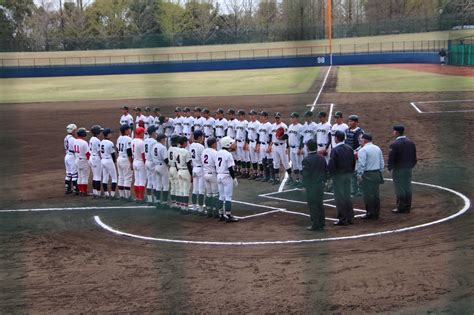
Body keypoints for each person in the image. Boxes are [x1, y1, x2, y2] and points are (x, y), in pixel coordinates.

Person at [328, 131, 356, 226]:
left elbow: (332, 165)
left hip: (338, 176)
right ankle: (350, 218)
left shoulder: (335, 150)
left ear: (336, 138)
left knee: (339, 198)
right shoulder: (349, 148)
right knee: (347, 196)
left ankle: (343, 219)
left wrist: (331, 175)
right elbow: (353, 161)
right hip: (348, 175)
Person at [388, 125, 417, 214]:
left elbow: (392, 158)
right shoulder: (411, 143)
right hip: (408, 169)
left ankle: (401, 207)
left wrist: (390, 167)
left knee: (399, 188)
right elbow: (414, 157)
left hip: (398, 170)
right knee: (407, 187)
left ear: (396, 132)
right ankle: (407, 206)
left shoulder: (394, 144)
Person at [357, 133, 384, 220]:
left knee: (368, 195)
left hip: (367, 174)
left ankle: (370, 213)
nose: (360, 141)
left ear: (365, 140)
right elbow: (381, 162)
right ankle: (376, 213)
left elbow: (362, 164)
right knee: (376, 194)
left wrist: (359, 174)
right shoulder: (377, 148)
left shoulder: (363, 150)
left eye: (361, 139)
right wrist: (380, 172)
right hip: (376, 173)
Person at [302, 139, 328, 231]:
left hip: (312, 186)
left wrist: (305, 185)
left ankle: (316, 223)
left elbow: (306, 175)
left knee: (313, 204)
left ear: (308, 148)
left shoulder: (306, 159)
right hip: (320, 184)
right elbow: (326, 170)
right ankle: (322, 221)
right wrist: (324, 181)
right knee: (320, 203)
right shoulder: (321, 158)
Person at [215, 136, 239, 222]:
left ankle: (221, 214)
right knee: (228, 196)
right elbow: (230, 169)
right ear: (228, 144)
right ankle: (228, 215)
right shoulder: (228, 155)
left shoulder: (218, 153)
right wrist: (234, 178)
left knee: (221, 196)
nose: (233, 144)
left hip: (219, 175)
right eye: (231, 143)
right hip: (226, 176)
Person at [345, 114, 364, 196]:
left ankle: (360, 189)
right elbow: (346, 142)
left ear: (356, 122)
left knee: (358, 172)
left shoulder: (360, 132)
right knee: (351, 172)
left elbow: (362, 144)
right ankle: (353, 189)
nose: (349, 123)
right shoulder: (347, 131)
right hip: (349, 154)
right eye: (349, 121)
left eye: (351, 121)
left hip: (356, 154)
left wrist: (356, 152)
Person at [189, 130, 206, 214]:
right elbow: (203, 160)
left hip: (194, 168)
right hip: (200, 169)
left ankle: (194, 207)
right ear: (199, 137)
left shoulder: (191, 145)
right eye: (202, 136)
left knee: (195, 189)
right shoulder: (201, 147)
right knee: (201, 190)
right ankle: (200, 208)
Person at [202, 137, 219, 218]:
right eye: (215, 143)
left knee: (209, 194)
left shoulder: (204, 151)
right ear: (213, 144)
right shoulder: (215, 152)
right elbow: (216, 165)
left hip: (205, 174)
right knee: (215, 194)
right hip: (212, 174)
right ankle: (216, 211)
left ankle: (208, 210)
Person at [116, 124, 133, 200]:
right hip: (125, 159)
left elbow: (117, 149)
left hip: (119, 158)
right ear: (126, 131)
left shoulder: (119, 138)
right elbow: (129, 152)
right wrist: (131, 162)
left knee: (121, 177)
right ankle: (128, 196)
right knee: (127, 178)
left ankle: (121, 195)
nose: (130, 130)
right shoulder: (128, 139)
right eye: (129, 129)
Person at [176, 136, 193, 213]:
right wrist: (191, 174)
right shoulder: (186, 152)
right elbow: (189, 164)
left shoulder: (176, 150)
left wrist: (178, 170)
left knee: (181, 190)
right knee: (186, 191)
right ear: (184, 143)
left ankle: (181, 207)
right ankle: (185, 209)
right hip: (186, 171)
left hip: (179, 170)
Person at [153, 133, 170, 208]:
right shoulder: (163, 147)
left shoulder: (154, 146)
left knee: (158, 185)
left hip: (156, 166)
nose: (165, 140)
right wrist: (169, 165)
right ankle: (165, 202)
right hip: (162, 166)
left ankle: (157, 201)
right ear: (162, 139)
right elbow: (166, 159)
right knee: (165, 185)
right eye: (164, 139)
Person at [100, 128, 118, 199]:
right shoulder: (110, 143)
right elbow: (113, 154)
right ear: (107, 135)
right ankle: (113, 195)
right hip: (109, 160)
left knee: (105, 178)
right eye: (110, 133)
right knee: (114, 178)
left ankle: (106, 194)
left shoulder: (101, 142)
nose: (111, 134)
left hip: (103, 160)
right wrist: (114, 162)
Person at [256, 111, 273, 182]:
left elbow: (271, 136)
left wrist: (270, 146)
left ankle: (272, 177)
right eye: (260, 116)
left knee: (270, 161)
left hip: (267, 144)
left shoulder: (269, 125)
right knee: (263, 161)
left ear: (266, 117)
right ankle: (266, 177)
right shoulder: (260, 125)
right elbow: (259, 136)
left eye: (262, 116)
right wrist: (258, 145)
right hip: (262, 145)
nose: (260, 117)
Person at [288, 112, 303, 186]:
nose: (291, 118)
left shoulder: (300, 127)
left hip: (297, 148)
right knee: (294, 165)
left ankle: (302, 180)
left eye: (293, 117)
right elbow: (288, 137)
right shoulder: (290, 126)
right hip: (291, 148)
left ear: (296, 118)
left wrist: (300, 148)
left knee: (300, 164)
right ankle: (297, 180)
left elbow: (302, 138)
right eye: (291, 117)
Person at [74, 128, 91, 196]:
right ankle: (84, 191)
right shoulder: (84, 143)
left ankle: (81, 191)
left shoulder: (75, 141)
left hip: (77, 160)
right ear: (83, 134)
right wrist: (89, 161)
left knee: (80, 176)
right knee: (84, 177)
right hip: (83, 160)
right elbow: (87, 154)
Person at [131, 127, 146, 202]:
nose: (144, 134)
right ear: (141, 133)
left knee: (136, 180)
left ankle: (137, 197)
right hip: (140, 162)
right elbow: (143, 155)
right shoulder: (141, 142)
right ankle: (141, 198)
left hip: (135, 162)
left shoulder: (132, 141)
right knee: (142, 181)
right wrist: (145, 163)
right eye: (143, 132)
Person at [144, 126, 158, 204]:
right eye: (155, 131)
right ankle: (155, 200)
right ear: (152, 133)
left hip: (147, 162)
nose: (156, 133)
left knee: (149, 181)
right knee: (155, 181)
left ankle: (149, 199)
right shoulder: (154, 142)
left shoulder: (145, 140)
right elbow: (154, 153)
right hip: (152, 162)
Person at [89, 125, 104, 198]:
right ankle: (98, 193)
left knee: (95, 176)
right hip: (96, 158)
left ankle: (95, 192)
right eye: (100, 131)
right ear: (97, 132)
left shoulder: (91, 139)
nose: (101, 133)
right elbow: (99, 152)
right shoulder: (97, 140)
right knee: (98, 176)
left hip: (91, 158)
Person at [64, 123, 78, 194]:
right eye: (75, 130)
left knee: (68, 174)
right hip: (72, 157)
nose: (76, 131)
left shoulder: (66, 137)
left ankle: (68, 189)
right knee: (74, 174)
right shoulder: (73, 139)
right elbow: (75, 150)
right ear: (72, 131)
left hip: (67, 156)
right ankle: (76, 189)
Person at [247, 110, 261, 179]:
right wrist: (247, 143)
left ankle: (261, 174)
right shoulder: (249, 123)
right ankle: (255, 173)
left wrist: (257, 145)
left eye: (252, 115)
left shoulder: (258, 124)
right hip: (250, 143)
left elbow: (259, 135)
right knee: (253, 159)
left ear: (255, 115)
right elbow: (248, 134)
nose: (251, 116)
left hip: (255, 142)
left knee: (258, 158)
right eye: (250, 115)